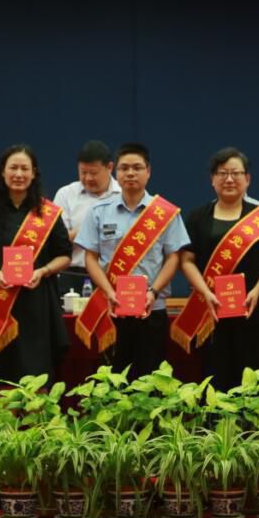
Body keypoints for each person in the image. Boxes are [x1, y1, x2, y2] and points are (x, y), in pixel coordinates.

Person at [75, 142, 190, 381]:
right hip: (111, 309)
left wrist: (153, 292)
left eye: (137, 168)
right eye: (124, 168)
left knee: (151, 382)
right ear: (116, 172)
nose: (130, 173)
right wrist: (109, 292)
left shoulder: (165, 212)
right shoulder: (99, 212)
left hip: (151, 309)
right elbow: (90, 258)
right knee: (113, 382)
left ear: (148, 172)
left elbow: (174, 258)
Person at [177, 147, 259, 391]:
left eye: (236, 173)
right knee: (216, 376)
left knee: (253, 378)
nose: (229, 179)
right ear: (212, 179)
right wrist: (205, 292)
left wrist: (257, 290)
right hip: (212, 309)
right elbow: (186, 260)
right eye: (222, 173)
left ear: (247, 179)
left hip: (252, 308)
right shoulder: (198, 217)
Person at [0, 144, 73, 381]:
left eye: (24, 169)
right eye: (13, 168)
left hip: (38, 302)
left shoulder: (47, 212)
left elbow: (65, 255)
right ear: (3, 172)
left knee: (36, 371)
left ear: (33, 173)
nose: (18, 174)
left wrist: (43, 271)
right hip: (1, 300)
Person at [53, 140, 121, 294]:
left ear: (110, 167)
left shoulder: (123, 194)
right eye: (83, 172)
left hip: (112, 275)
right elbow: (56, 241)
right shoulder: (66, 194)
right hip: (72, 275)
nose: (88, 178)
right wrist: (87, 231)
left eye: (94, 173)